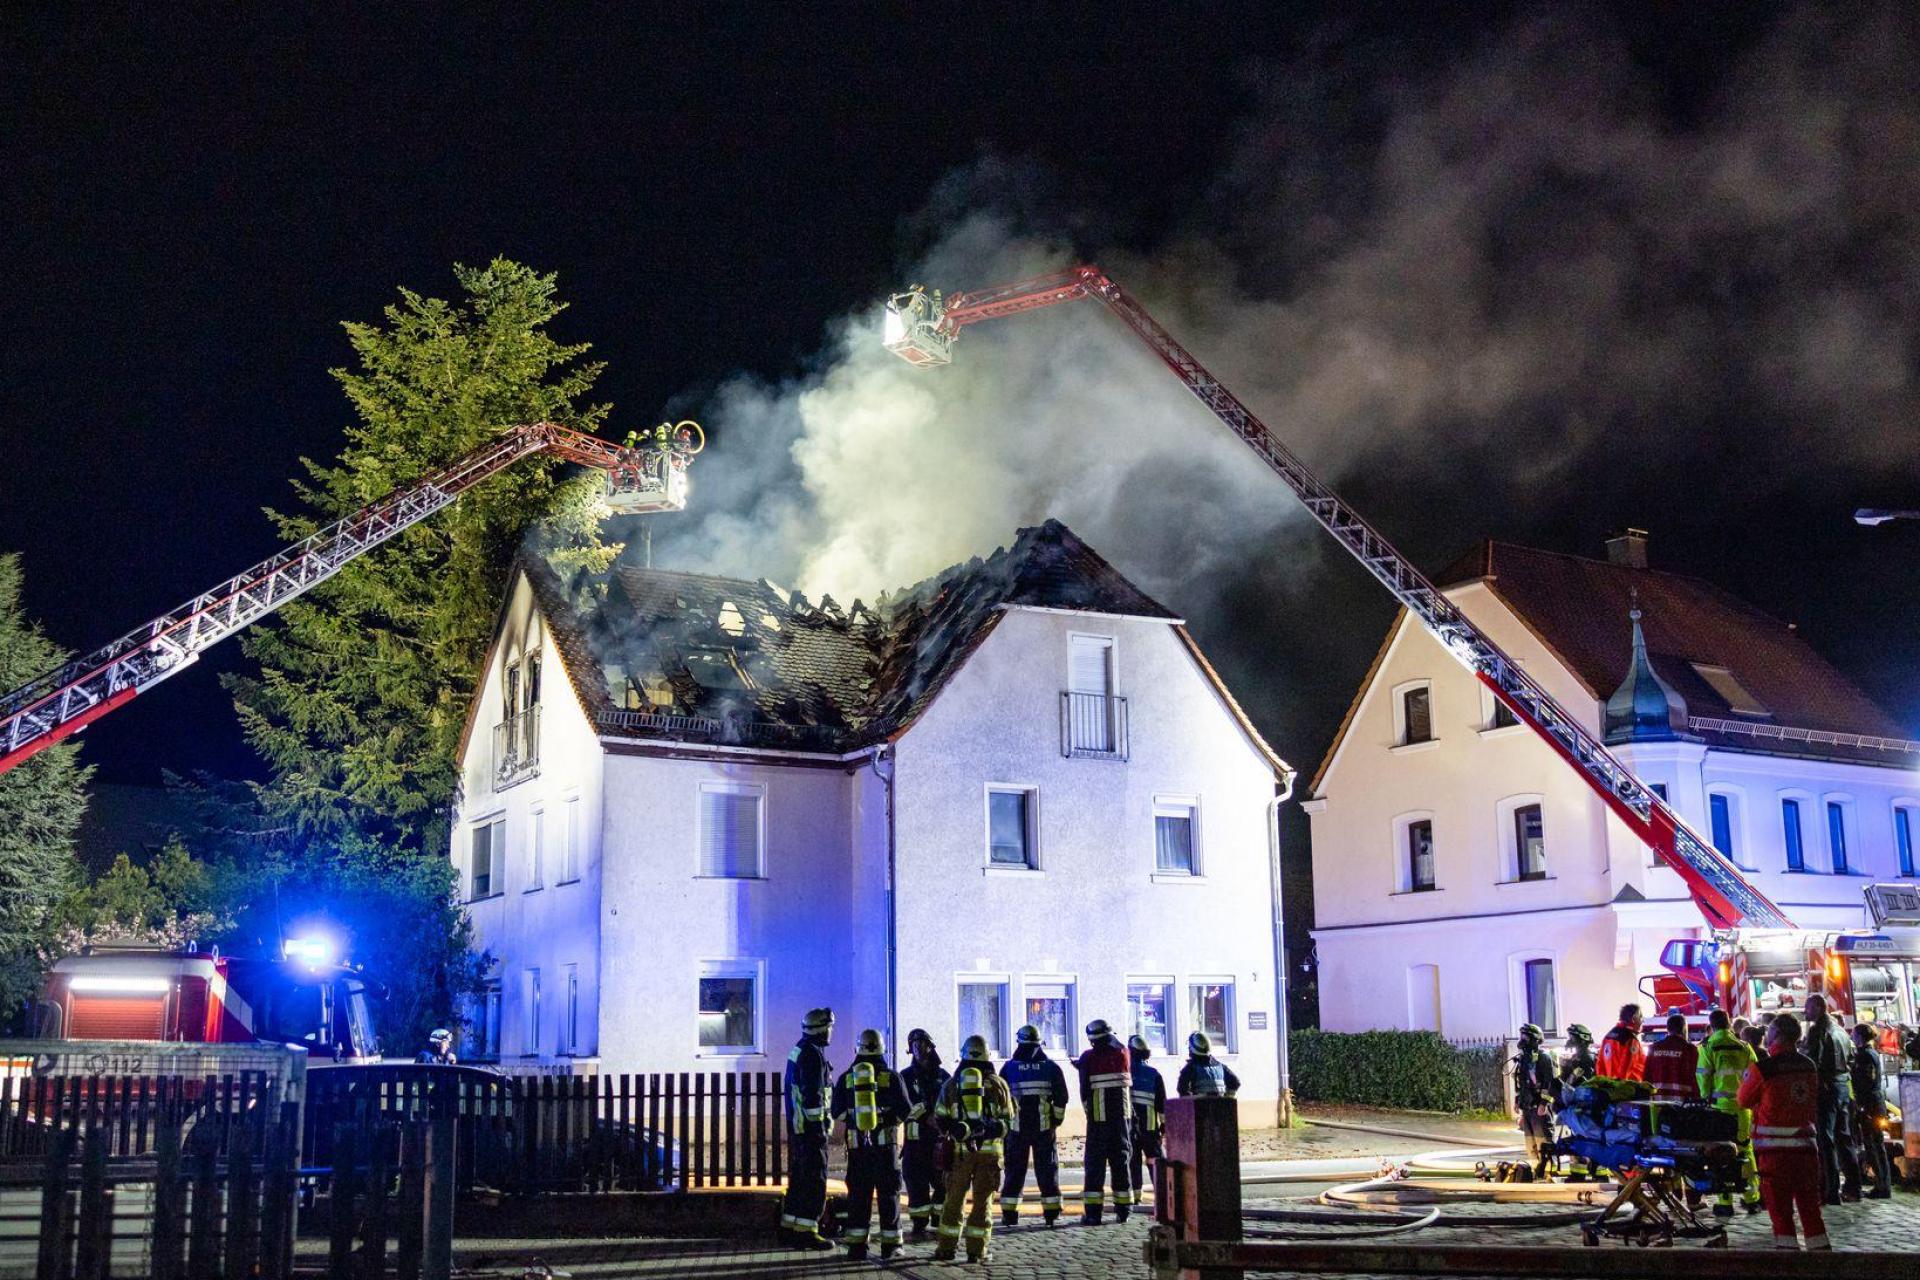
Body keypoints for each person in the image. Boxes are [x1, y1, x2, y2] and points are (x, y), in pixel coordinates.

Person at [1737, 1013, 1829, 1251]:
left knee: (1781, 1215)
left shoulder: (1764, 1068)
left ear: (1776, 1035)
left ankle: (1788, 1259)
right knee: (1811, 1210)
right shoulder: (1809, 1066)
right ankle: (1822, 1257)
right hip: (1807, 1151)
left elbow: (1743, 1100)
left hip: (1774, 1154)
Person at [831, 1028, 912, 1261]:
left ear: (858, 1048)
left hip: (858, 1150)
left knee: (858, 1196)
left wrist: (857, 1121)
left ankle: (857, 1247)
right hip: (885, 1149)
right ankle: (891, 1246)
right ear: (881, 1048)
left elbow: (836, 1111)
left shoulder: (847, 1077)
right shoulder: (892, 1077)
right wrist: (886, 1121)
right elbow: (905, 1111)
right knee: (889, 1196)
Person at [933, 1036, 1014, 1263]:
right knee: (982, 1202)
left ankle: (946, 1248)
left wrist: (958, 1130)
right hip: (990, 1155)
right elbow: (1008, 1122)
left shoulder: (951, 1085)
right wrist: (989, 1129)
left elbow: (939, 1117)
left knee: (954, 1199)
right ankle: (977, 1251)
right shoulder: (999, 1085)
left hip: (960, 1154)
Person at [998, 1024, 1068, 1227]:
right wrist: (1056, 1120)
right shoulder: (1051, 1068)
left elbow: (1000, 1099)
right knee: (1047, 1170)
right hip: (1044, 1128)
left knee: (1014, 1171)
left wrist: (1004, 1125)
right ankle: (1052, 1212)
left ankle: (1010, 1214)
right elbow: (1062, 1097)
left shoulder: (1009, 1068)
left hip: (1016, 1129)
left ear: (1019, 1043)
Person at [779, 1007, 836, 1249]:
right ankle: (807, 1231)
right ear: (823, 1029)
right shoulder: (813, 1055)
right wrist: (820, 1126)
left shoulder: (799, 1049)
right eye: (830, 1027)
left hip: (798, 1129)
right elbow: (812, 1095)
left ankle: (790, 1228)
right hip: (811, 1131)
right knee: (814, 1180)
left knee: (800, 1181)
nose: (831, 1032)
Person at [1697, 1008, 1762, 1217]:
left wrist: (1706, 1097)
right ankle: (1752, 1197)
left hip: (1718, 1109)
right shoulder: (1744, 1047)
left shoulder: (1708, 1046)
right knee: (1745, 1150)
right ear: (1730, 1024)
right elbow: (1755, 1076)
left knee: (1722, 1153)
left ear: (1712, 1025)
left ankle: (1725, 1201)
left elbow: (1703, 1077)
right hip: (1742, 1108)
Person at [1801, 994, 1862, 1204]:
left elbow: (1811, 1062)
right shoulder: (1841, 1032)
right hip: (1843, 1087)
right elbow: (1851, 1059)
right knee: (1845, 1138)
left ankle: (1830, 1190)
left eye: (1808, 1007)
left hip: (1826, 1089)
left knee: (1825, 1141)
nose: (1805, 1011)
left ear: (1818, 1007)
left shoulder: (1818, 1031)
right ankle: (1854, 1187)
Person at [1073, 1019, 1134, 1224]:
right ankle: (1123, 1210)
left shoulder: (1088, 1057)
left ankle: (1093, 1214)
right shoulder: (1124, 1053)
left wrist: (1080, 1066)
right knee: (1121, 1162)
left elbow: (1084, 1090)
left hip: (1099, 1121)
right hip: (1122, 1121)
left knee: (1095, 1167)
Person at [899, 1028, 950, 1241]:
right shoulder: (905, 1076)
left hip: (939, 1140)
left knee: (942, 1183)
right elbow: (902, 1104)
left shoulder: (943, 1076)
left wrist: (942, 1121)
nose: (918, 1048)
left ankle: (940, 1219)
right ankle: (919, 1224)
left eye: (922, 1043)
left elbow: (951, 1102)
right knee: (915, 1183)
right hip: (915, 1142)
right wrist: (925, 1115)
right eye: (913, 1045)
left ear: (930, 1046)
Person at [1848, 1023, 1893, 1199]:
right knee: (1877, 1144)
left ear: (1859, 1036)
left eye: (1853, 1034)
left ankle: (1882, 1186)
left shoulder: (1863, 1056)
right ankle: (1883, 1184)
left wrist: (1860, 1104)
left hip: (1869, 1104)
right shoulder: (1872, 1053)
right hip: (1876, 1102)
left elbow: (1863, 1081)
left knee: (1873, 1144)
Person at [1510, 1024, 1558, 1179]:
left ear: (1535, 1040)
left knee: (1543, 1139)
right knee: (1530, 1142)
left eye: (1526, 1037)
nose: (1522, 1040)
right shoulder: (1524, 1059)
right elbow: (1521, 1082)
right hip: (1527, 1107)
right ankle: (1536, 1169)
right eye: (1521, 1036)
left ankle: (1549, 1171)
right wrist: (1518, 1100)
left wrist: (1544, 1103)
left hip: (1539, 1106)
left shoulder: (1544, 1058)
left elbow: (1549, 1082)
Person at [1128, 1035, 1168, 1203]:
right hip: (1150, 1127)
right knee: (1155, 1160)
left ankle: (1136, 1196)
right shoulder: (1154, 1075)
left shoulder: (1126, 1071)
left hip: (1130, 1126)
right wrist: (1164, 1125)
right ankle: (1163, 1195)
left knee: (1133, 1160)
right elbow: (1162, 1104)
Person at [1644, 1013, 1699, 1101]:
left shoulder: (1653, 1048)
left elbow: (1646, 1076)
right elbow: (1695, 1077)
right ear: (1684, 1029)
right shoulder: (1690, 1049)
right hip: (1683, 1104)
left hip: (1657, 1102)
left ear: (1668, 1029)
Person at [1177, 1031, 1241, 1099]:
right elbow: (1236, 1082)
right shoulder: (1220, 1067)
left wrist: (1196, 1099)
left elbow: (1182, 1091)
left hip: (1200, 1108)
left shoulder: (1190, 1068)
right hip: (1219, 1108)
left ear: (1191, 1048)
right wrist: (1226, 1098)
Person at [1597, 1003, 1647, 1081]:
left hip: (1609, 1086)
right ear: (1634, 1019)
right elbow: (1626, 1067)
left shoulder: (1608, 1036)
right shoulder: (1631, 1040)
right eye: (1640, 1017)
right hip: (1629, 1088)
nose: (1642, 1021)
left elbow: (1600, 1064)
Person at [1558, 1024, 1598, 1093]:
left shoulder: (1586, 1058)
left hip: (1583, 1097)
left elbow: (1573, 1081)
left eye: (1572, 1037)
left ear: (1582, 1040)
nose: (1569, 1040)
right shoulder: (1575, 1057)